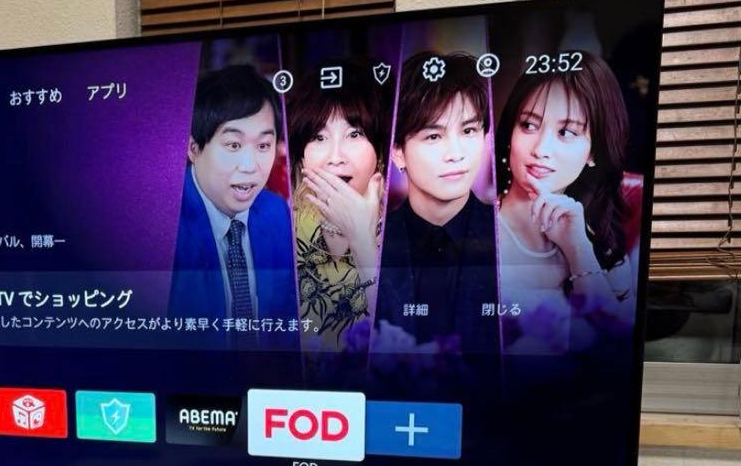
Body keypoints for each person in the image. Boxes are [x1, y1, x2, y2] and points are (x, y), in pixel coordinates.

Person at [494, 52, 635, 354]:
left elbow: (616, 350)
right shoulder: (471, 229)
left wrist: (578, 250)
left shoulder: (602, 245)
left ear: (594, 151)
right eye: (528, 125)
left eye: (566, 132)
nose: (541, 149)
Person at [373, 51, 499, 353]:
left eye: (468, 131)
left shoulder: (506, 235)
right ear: (398, 151)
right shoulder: (373, 241)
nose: (455, 154)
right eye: (433, 136)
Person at [167, 64, 298, 347]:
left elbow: (288, 321)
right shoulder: (163, 223)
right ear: (193, 148)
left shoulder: (275, 213)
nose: (250, 167)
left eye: (263, 146)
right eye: (233, 145)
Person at [287, 60, 388, 343]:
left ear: (380, 149)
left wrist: (362, 242)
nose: (335, 157)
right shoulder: (277, 231)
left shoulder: (405, 232)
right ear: (301, 156)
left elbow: (401, 337)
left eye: (354, 134)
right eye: (318, 137)